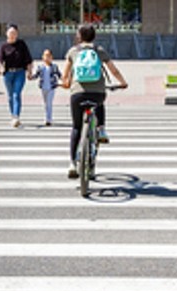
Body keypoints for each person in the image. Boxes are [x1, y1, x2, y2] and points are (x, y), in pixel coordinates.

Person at [60, 24, 128, 179]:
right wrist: (123, 82)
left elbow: (65, 76)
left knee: (77, 127)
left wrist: (66, 84)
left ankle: (72, 163)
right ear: (94, 36)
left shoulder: (73, 51)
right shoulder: (99, 51)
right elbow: (113, 70)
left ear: (79, 36)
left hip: (77, 94)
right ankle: (101, 129)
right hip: (97, 93)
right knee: (99, 104)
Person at [0, 23, 33, 128]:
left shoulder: (21, 44)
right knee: (10, 96)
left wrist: (29, 72)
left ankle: (16, 116)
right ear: (6, 34)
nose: (12, 35)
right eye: (10, 33)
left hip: (20, 72)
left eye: (14, 33)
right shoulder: (3, 46)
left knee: (16, 94)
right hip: (8, 74)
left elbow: (28, 59)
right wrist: (0, 68)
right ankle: (13, 115)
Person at [29, 49, 61, 126]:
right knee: (46, 103)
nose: (47, 58)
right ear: (43, 57)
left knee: (49, 103)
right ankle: (47, 117)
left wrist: (64, 80)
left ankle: (48, 119)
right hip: (43, 87)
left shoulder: (54, 67)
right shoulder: (41, 67)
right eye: (45, 56)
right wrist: (30, 77)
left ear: (51, 57)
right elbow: (36, 75)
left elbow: (59, 75)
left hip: (51, 87)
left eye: (49, 56)